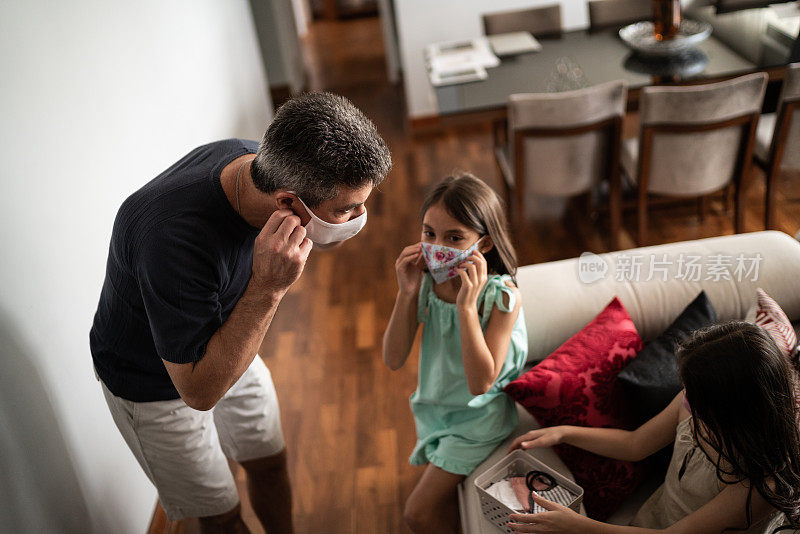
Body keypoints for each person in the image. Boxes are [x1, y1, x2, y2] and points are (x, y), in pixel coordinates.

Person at [90, 92, 391, 533]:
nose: (359, 216)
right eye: (346, 209)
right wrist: (270, 288)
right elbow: (199, 392)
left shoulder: (257, 163)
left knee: (269, 461)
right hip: (156, 382)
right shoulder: (172, 242)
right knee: (223, 516)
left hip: (227, 332)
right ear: (288, 204)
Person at [506, 321, 800, 534]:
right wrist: (564, 432)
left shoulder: (761, 484)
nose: (686, 396)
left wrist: (578, 526)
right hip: (653, 520)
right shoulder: (690, 405)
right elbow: (635, 444)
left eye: (696, 394)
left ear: (731, 408)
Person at [382, 173, 529, 534]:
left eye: (454, 237)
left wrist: (466, 308)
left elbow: (481, 383)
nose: (436, 246)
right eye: (429, 233)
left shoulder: (501, 296)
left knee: (415, 514)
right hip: (437, 408)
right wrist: (406, 293)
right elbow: (393, 358)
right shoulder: (427, 283)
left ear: (486, 244)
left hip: (478, 421)